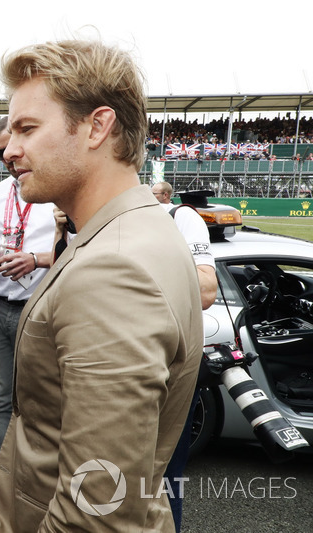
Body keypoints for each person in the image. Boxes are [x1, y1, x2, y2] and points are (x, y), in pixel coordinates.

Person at [0, 40, 203, 532]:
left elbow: (98, 513)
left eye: (28, 129)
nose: (10, 149)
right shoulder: (132, 230)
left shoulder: (115, 269)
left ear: (97, 126)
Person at [0, 116, 63, 448]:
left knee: (38, 401)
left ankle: (35, 483)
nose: (7, 158)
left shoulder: (57, 189)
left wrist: (35, 259)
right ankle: (5, 481)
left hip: (39, 309)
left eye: (10, 148)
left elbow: (83, 253)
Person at [152, 181, 217, 532]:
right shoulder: (84, 219)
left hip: (169, 364)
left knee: (166, 480)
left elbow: (207, 290)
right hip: (108, 365)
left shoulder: (181, 217)